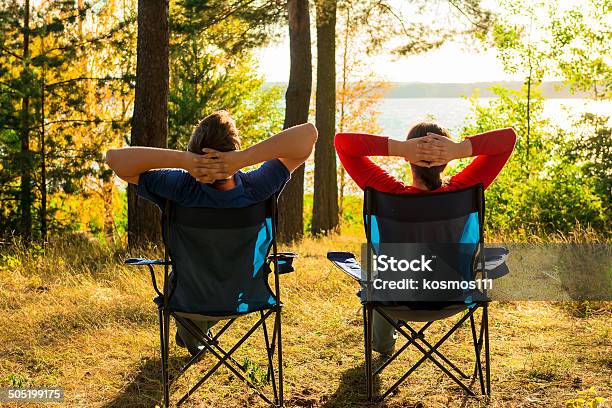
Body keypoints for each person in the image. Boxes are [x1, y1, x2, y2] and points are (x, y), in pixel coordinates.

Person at [106, 110, 318, 355]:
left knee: (192, 294)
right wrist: (244, 159)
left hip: (188, 300)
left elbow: (115, 160)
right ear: (234, 149)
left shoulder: (180, 188)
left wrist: (184, 161)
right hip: (245, 296)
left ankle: (193, 331)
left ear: (194, 152)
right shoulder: (258, 186)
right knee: (216, 287)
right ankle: (195, 332)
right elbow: (308, 136)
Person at [334, 121, 516, 355]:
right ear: (446, 161)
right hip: (453, 296)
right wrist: (459, 149)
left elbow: (343, 143)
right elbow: (508, 138)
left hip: (396, 298)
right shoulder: (464, 190)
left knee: (379, 276)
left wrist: (400, 148)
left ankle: (384, 345)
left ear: (408, 159)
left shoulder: (386, 192)